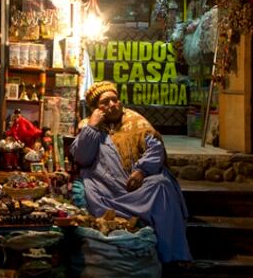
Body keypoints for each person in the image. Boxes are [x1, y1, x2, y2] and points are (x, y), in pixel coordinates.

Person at [69, 81, 191, 263]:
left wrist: (142, 171)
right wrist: (93, 127)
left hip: (138, 186)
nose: (112, 105)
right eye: (105, 102)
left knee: (162, 186)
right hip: (107, 189)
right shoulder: (89, 127)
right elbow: (82, 158)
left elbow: (155, 148)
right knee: (91, 189)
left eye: (115, 100)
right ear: (96, 108)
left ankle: (172, 256)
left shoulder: (136, 121)